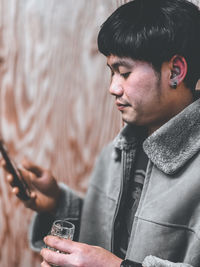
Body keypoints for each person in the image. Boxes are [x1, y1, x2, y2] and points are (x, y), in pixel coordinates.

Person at [2, 0, 200, 266]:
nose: (113, 88)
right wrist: (59, 205)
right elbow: (120, 235)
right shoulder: (118, 151)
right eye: (111, 73)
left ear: (175, 71)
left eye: (125, 73)